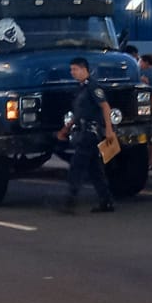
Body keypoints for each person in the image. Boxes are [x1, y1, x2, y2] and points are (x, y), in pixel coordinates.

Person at [58, 56, 118, 213]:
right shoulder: (81, 89)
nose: (72, 73)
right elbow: (79, 113)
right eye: (71, 70)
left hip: (91, 133)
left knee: (76, 167)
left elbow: (105, 107)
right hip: (82, 130)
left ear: (84, 69)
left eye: (75, 69)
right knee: (94, 170)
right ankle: (106, 201)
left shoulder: (93, 87)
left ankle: (69, 201)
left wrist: (109, 130)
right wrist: (66, 128)